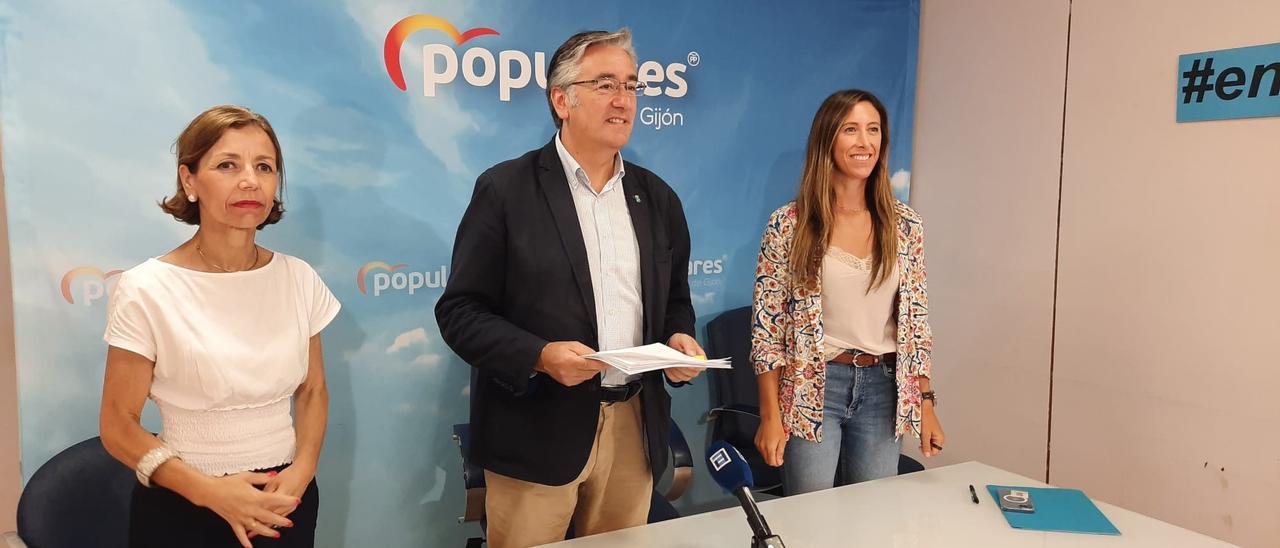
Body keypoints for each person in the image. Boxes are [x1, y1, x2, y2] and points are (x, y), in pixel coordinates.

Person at [434, 28, 704, 548]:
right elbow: (461, 312)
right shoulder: (505, 190)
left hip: (634, 425)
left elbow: (675, 303)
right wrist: (539, 354)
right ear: (562, 99)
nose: (624, 100)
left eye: (631, 85)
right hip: (534, 429)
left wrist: (678, 342)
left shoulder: (658, 198)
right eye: (606, 84)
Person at [98, 105, 340, 547]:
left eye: (264, 167)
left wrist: (302, 471)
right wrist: (211, 493)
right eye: (227, 165)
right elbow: (118, 424)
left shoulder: (298, 278)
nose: (250, 180)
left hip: (284, 500)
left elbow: (313, 390)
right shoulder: (146, 287)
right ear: (189, 180)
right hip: (185, 504)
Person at [751, 89, 945, 495]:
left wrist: (926, 404)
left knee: (872, 520)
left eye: (873, 130)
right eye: (851, 129)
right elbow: (767, 333)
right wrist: (771, 416)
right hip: (814, 386)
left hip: (884, 388)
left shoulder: (905, 225)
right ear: (828, 140)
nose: (865, 142)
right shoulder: (790, 223)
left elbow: (917, 325)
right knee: (810, 519)